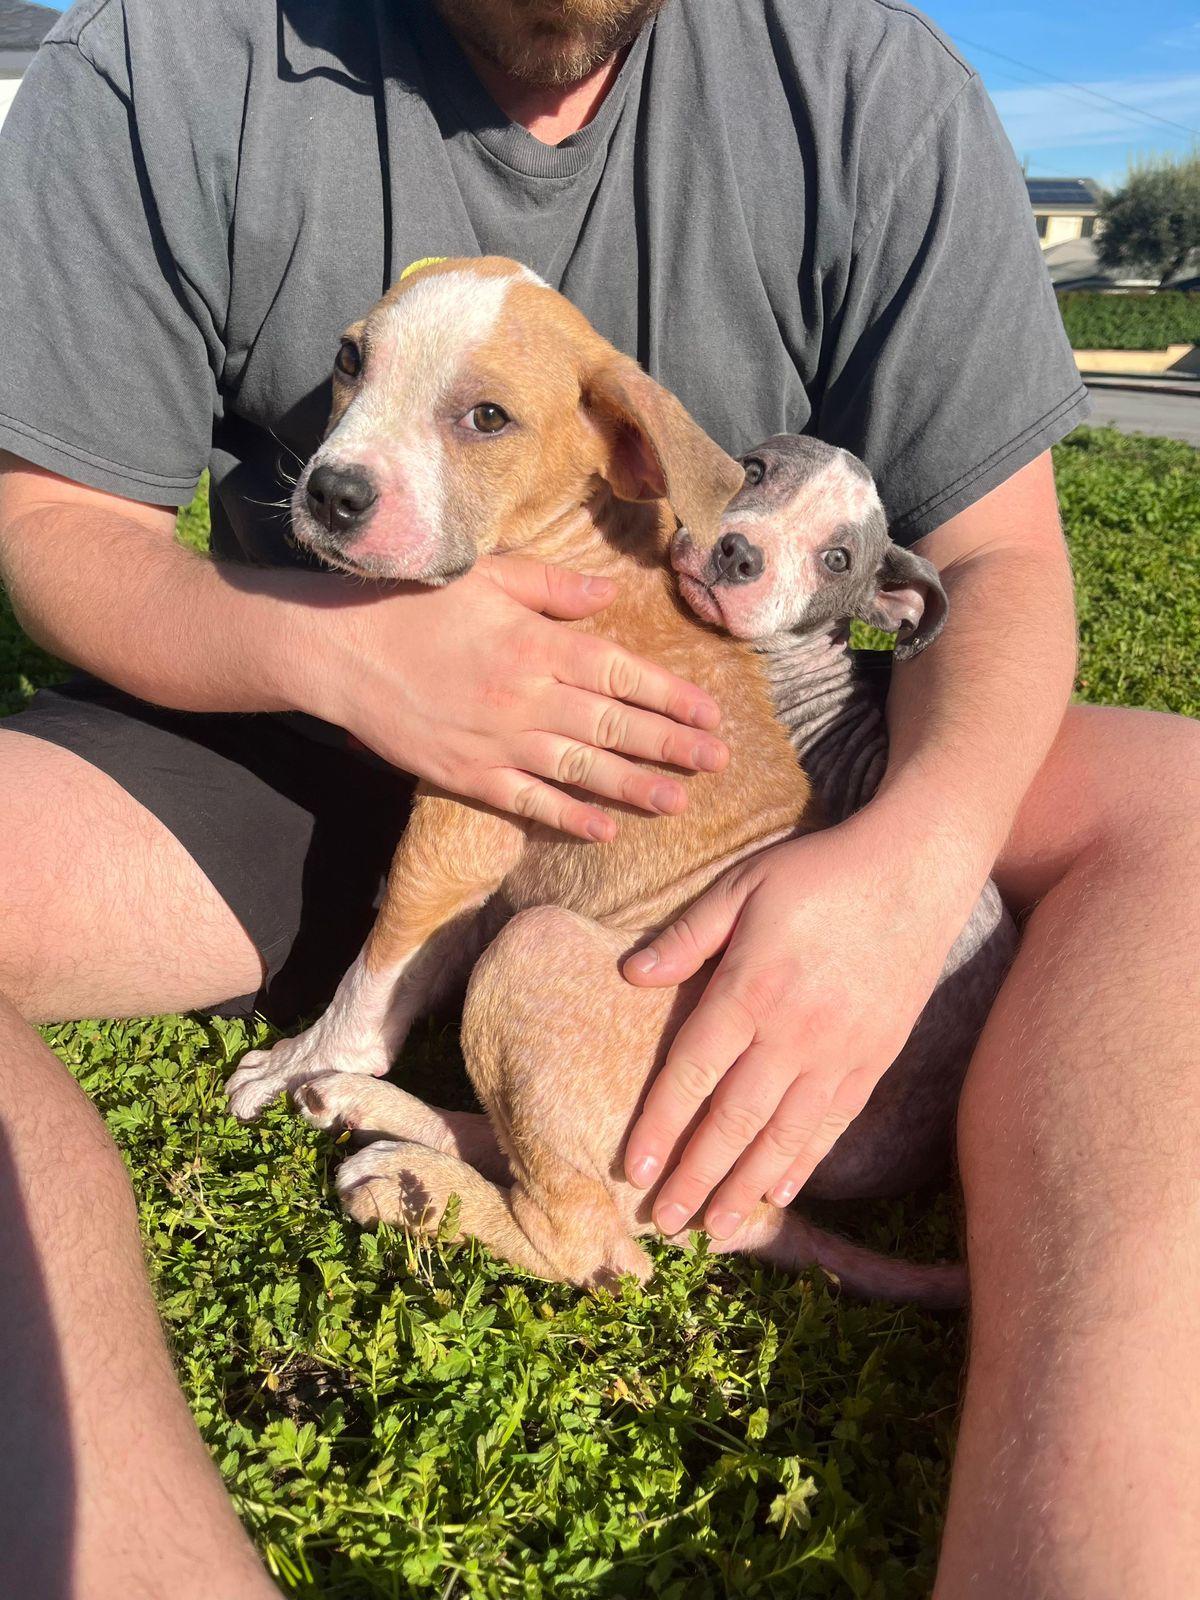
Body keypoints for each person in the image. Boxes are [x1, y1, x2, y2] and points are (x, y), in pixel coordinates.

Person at [0, 0, 1196, 1594]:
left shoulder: (863, 81)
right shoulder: (162, 57)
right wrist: (334, 654)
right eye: (354, 378)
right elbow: (54, 517)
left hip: (744, 760)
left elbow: (997, 563)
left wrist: (907, 863)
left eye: (475, 411)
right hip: (272, 722)